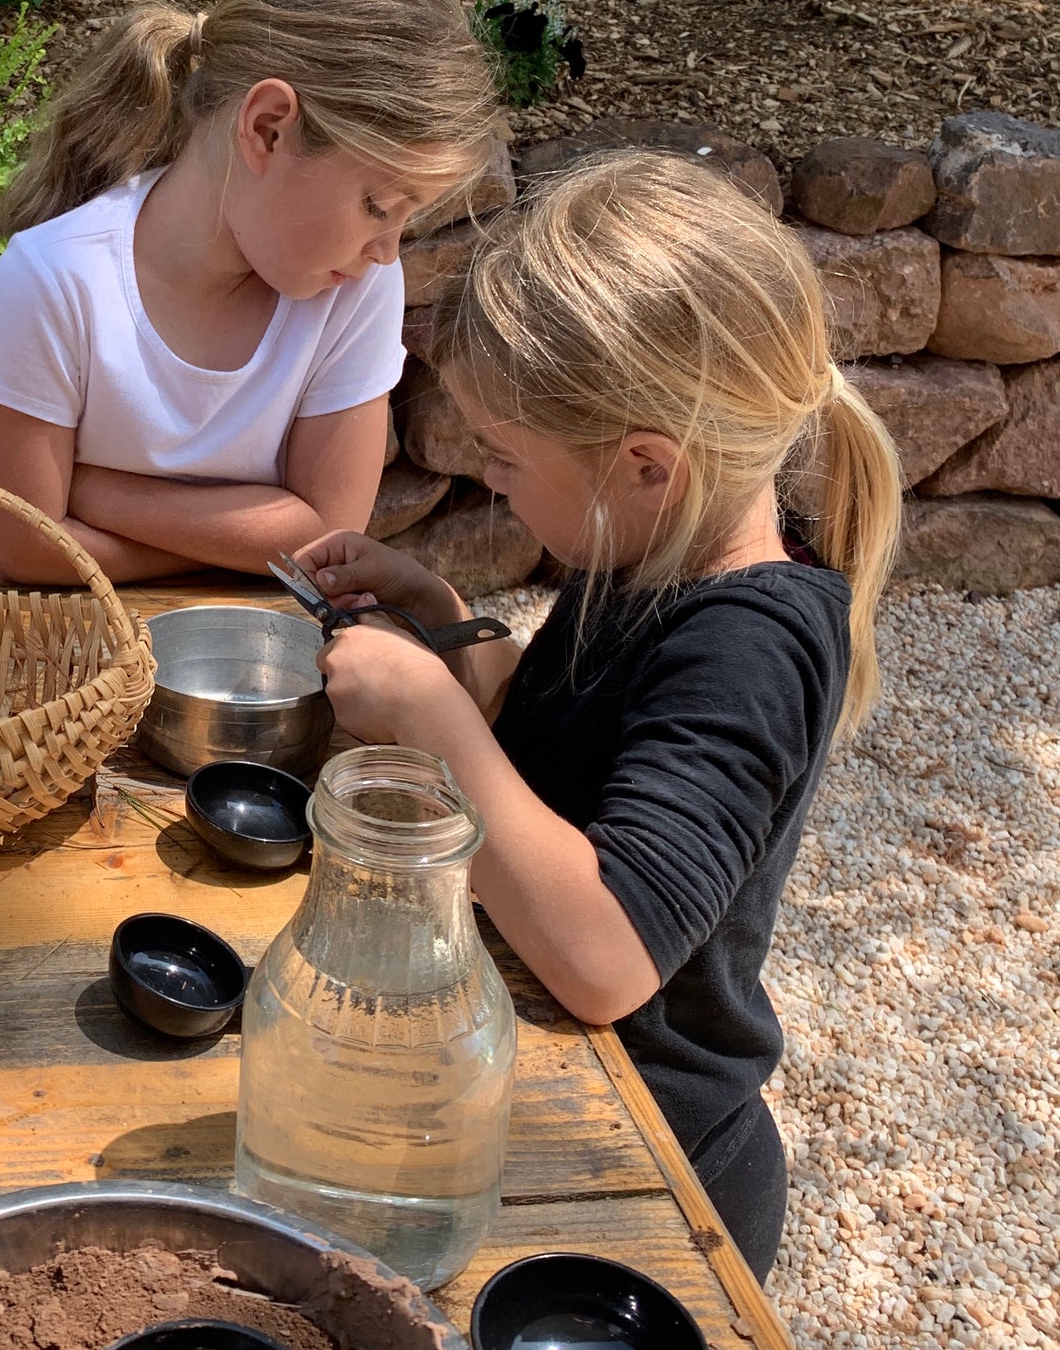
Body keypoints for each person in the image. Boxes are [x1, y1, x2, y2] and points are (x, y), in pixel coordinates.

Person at [299, 151, 902, 1281]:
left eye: (506, 458)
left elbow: (608, 954)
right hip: (544, 1083)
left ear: (647, 466)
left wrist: (432, 721)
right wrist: (443, 623)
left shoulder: (750, 649)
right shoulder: (641, 551)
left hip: (642, 1169)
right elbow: (558, 755)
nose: (491, 483)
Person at [0, 0, 503, 583]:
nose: (386, 251)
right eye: (379, 206)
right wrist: (258, 539)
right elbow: (28, 547)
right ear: (268, 129)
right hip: (73, 669)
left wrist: (93, 495)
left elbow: (330, 532)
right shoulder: (55, 283)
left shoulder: (353, 288)